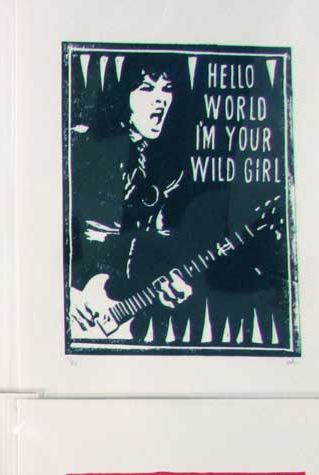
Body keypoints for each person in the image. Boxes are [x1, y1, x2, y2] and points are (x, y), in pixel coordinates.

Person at [67, 54, 203, 343]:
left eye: (167, 89)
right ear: (123, 95)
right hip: (76, 309)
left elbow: (160, 248)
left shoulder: (170, 170)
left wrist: (174, 284)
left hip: (121, 317)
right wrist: (65, 296)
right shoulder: (82, 149)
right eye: (147, 88)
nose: (160, 100)